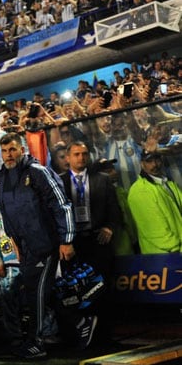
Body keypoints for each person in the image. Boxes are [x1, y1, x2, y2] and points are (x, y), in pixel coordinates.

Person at [0, 132, 76, 359]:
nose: (8, 155)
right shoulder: (1, 177)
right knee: (35, 292)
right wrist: (14, 243)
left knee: (36, 292)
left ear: (22, 149)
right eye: (4, 151)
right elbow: (6, 214)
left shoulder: (37, 172)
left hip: (46, 243)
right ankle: (70, 328)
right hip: (25, 246)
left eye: (12, 149)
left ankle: (36, 342)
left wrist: (66, 239)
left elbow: (61, 204)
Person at [59, 142, 121, 349]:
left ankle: (104, 337)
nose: (81, 158)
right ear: (67, 157)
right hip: (73, 243)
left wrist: (110, 228)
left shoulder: (102, 180)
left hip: (97, 241)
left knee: (102, 288)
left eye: (85, 154)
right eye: (76, 154)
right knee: (76, 291)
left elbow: (115, 210)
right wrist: (63, 241)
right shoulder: (59, 183)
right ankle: (78, 337)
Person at [126, 151, 182, 254]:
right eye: (149, 161)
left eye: (157, 159)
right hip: (164, 256)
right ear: (142, 164)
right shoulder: (140, 190)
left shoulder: (167, 183)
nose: (154, 164)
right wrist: (176, 249)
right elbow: (156, 232)